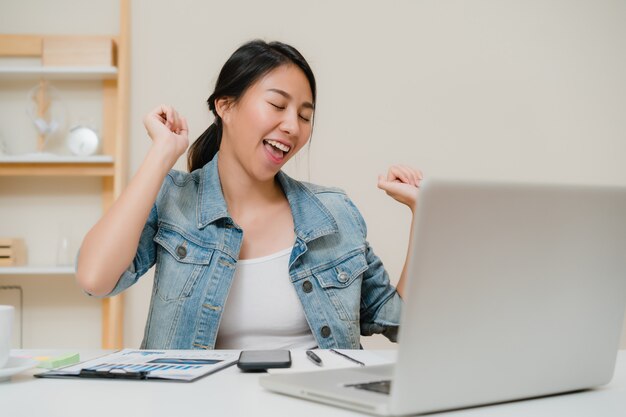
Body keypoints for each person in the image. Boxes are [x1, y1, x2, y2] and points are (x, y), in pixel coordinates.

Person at [76, 40, 422, 350]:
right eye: (277, 105)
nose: (292, 126)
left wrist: (424, 217)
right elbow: (95, 279)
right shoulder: (176, 201)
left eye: (304, 116)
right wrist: (162, 154)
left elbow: (400, 321)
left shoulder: (333, 212)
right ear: (225, 106)